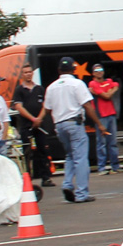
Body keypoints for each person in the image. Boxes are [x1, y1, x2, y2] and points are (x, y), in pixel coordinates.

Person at [43, 56, 108, 203]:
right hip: (74, 123)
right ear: (73, 69)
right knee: (80, 158)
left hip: (59, 125)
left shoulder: (52, 87)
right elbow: (87, 105)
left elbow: (46, 109)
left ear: (59, 70)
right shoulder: (77, 84)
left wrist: (38, 121)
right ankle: (81, 193)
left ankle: (67, 184)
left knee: (70, 155)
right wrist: (99, 123)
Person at [12, 63, 55, 188]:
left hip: (40, 126)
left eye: (30, 72)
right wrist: (32, 119)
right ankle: (27, 179)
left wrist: (39, 119)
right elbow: (19, 107)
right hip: (26, 126)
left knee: (43, 151)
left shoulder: (40, 89)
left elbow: (45, 106)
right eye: (25, 72)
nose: (28, 74)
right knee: (27, 153)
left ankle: (46, 177)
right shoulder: (19, 90)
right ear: (22, 75)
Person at [88, 63, 123, 175]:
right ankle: (101, 168)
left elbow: (116, 86)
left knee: (112, 142)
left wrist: (107, 92)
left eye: (100, 70)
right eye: (96, 70)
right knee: (101, 143)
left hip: (111, 114)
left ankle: (115, 166)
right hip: (100, 116)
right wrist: (110, 91)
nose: (99, 72)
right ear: (93, 73)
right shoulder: (92, 83)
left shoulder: (108, 81)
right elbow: (107, 96)